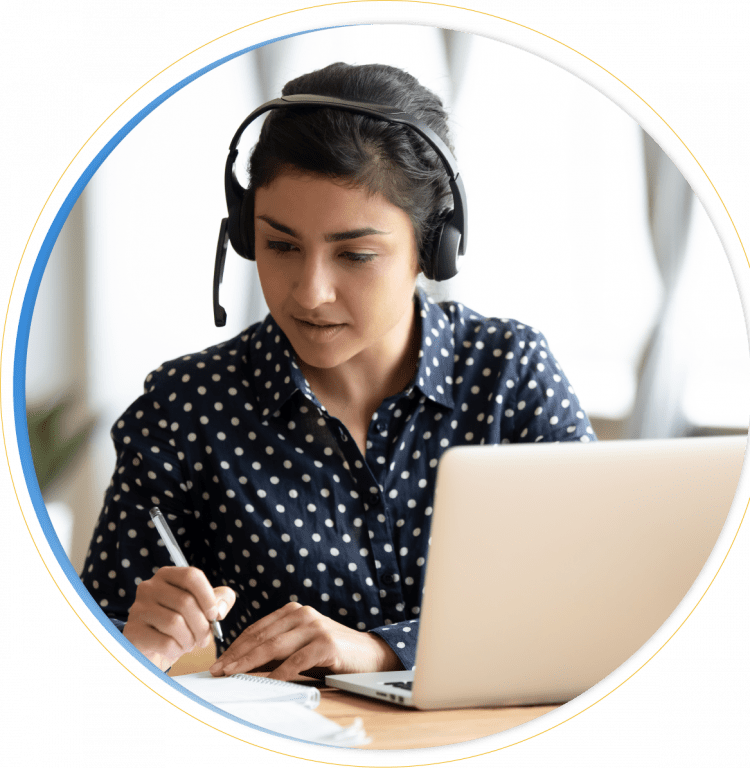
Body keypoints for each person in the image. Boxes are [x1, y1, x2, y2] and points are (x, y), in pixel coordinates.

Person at [81, 62, 595, 679]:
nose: (311, 292)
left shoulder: (510, 375)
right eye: (281, 246)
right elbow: (88, 669)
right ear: (246, 235)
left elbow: (593, 593)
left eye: (355, 254)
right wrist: (135, 645)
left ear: (434, 248)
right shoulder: (185, 408)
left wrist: (383, 649)